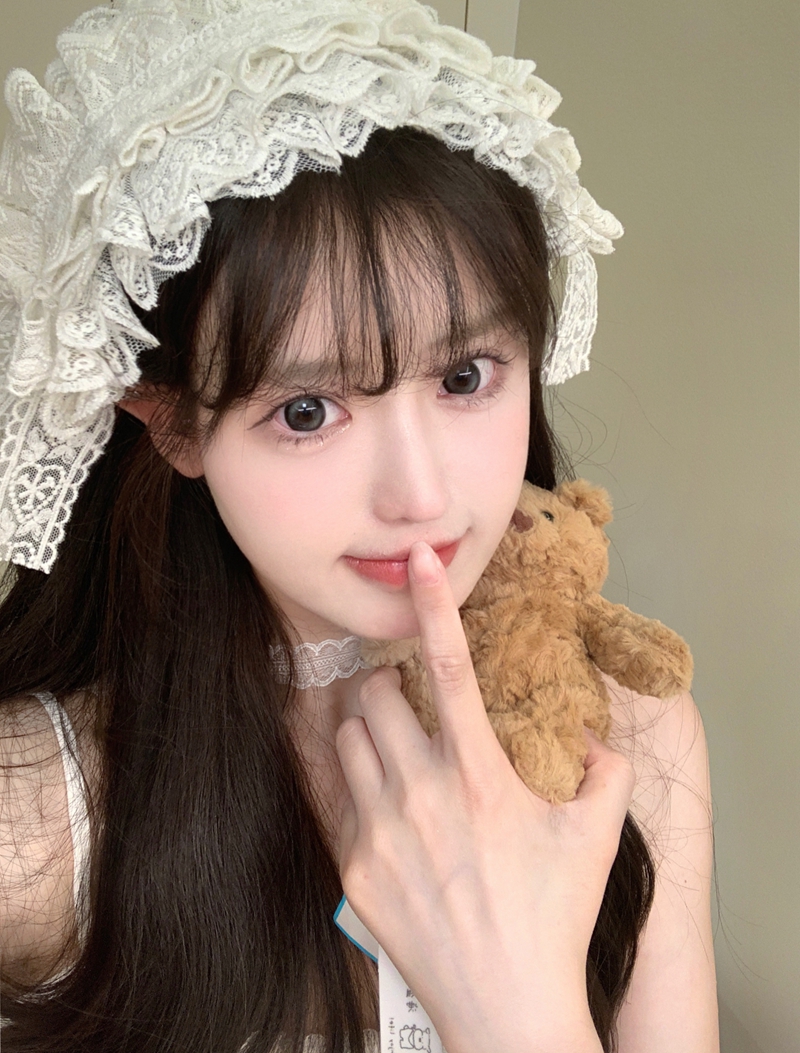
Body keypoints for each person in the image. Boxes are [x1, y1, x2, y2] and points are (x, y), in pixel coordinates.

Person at [0, 1, 718, 1051]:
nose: (419, 496)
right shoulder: (38, 815)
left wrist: (520, 1010)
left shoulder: (635, 735)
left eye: (465, 377)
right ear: (174, 425)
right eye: (306, 411)